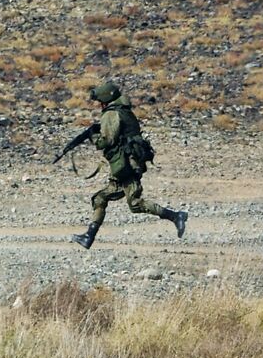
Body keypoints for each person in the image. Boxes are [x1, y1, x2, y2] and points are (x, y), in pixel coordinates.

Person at [70, 81, 187, 249]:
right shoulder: (125, 112)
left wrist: (93, 137)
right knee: (101, 198)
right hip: (128, 163)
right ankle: (89, 236)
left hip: (126, 167)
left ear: (105, 100)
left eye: (100, 102)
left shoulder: (111, 114)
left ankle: (176, 216)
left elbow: (107, 141)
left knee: (135, 204)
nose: (99, 105)